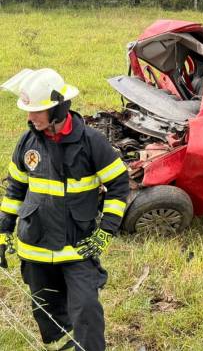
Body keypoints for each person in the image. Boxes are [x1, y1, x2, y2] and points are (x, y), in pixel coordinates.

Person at [0, 68, 129, 351]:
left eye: (37, 111)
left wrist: (106, 231)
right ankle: (65, 340)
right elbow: (15, 188)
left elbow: (119, 185)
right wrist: (3, 229)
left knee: (87, 308)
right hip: (35, 246)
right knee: (47, 308)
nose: (30, 117)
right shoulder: (27, 142)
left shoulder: (92, 142)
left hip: (77, 246)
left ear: (58, 109)